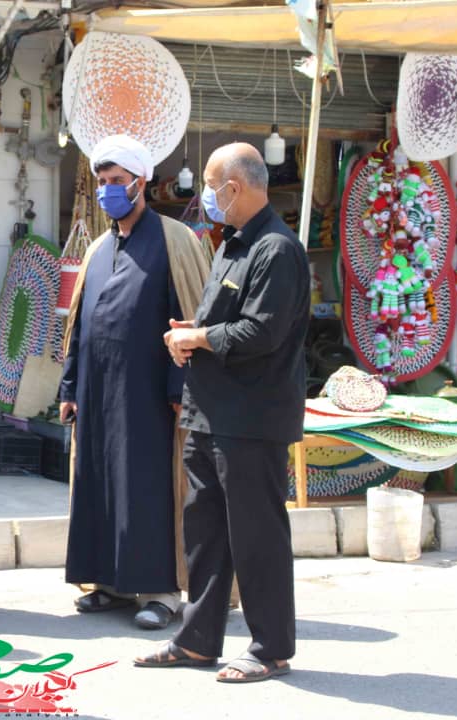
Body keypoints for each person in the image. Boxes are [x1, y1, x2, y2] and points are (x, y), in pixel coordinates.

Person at [138, 142, 309, 682]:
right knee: (206, 533)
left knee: (257, 536)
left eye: (212, 187)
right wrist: (193, 333)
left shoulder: (276, 250)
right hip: (210, 412)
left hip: (252, 420)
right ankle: (197, 640)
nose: (207, 197)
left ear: (235, 188)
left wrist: (199, 337)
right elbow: (226, 320)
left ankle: (270, 648)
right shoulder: (233, 244)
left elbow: (262, 332)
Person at [58, 135, 211, 630]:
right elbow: (79, 325)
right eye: (103, 181)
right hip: (96, 393)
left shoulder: (174, 239)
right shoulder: (98, 247)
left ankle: (162, 591)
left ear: (141, 183)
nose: (108, 189)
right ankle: (109, 583)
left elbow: (190, 315)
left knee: (149, 488)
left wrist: (179, 388)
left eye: (117, 181)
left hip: (151, 396)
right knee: (100, 483)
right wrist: (69, 388)